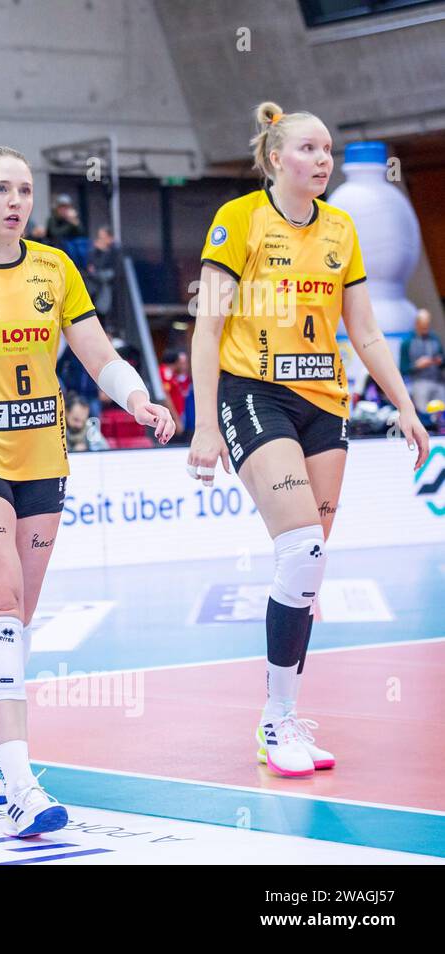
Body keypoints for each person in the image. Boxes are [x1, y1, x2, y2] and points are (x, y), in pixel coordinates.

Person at [0, 147, 173, 837]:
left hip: (42, 457)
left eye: (24, 190)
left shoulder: (55, 269)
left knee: (16, 617)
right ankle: (22, 782)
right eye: (0, 187)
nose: (14, 200)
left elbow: (98, 353)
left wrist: (139, 396)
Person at [187, 101, 429, 779]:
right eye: (309, 150)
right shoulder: (238, 221)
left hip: (326, 403)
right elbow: (207, 328)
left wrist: (407, 407)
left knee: (308, 564)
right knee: (301, 543)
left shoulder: (343, 228)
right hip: (253, 394)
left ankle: (283, 717)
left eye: (328, 150)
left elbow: (368, 332)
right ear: (275, 159)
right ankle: (274, 724)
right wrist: (205, 423)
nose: (322, 160)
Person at [401, 308, 444, 413]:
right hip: (419, 382)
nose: (426, 329)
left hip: (438, 381)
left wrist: (440, 361)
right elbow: (403, 369)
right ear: (417, 324)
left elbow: (443, 360)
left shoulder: (435, 339)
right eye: (423, 327)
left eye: (427, 326)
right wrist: (417, 365)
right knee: (424, 413)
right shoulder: (407, 342)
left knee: (442, 411)